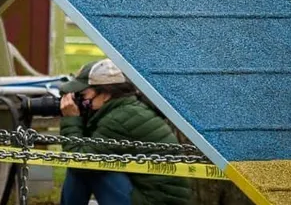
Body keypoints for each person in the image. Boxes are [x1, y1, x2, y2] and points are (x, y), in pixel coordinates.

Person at [58, 58, 192, 205]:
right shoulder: (127, 109)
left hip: (154, 201)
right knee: (86, 162)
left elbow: (79, 160)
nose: (80, 101)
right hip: (154, 196)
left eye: (83, 95)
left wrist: (71, 119)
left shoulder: (119, 119)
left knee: (83, 165)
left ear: (106, 94)